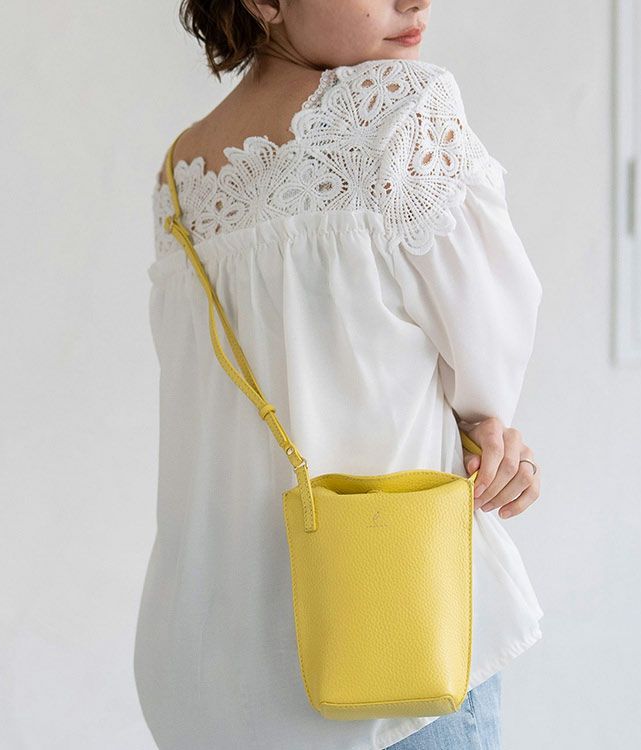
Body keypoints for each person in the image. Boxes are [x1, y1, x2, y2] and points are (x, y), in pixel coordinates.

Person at [133, 1, 544, 749]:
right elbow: (489, 334)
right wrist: (485, 423)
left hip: (206, 669)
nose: (415, 1)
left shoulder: (179, 173)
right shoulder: (396, 107)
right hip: (387, 650)